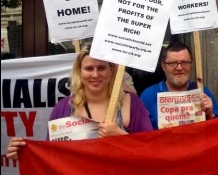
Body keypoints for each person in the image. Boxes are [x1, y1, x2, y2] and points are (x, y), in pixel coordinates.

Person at [7, 43, 153, 160]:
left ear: (111, 71)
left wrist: (121, 136)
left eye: (101, 68)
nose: (95, 74)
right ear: (79, 71)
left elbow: (149, 151)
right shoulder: (63, 107)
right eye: (89, 68)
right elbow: (51, 156)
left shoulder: (132, 103)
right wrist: (25, 153)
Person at [140, 42, 218, 130]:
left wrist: (210, 115)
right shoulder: (148, 96)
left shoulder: (203, 92)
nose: (179, 68)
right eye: (172, 63)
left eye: (185, 62)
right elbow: (141, 136)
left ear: (191, 65)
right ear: (163, 66)